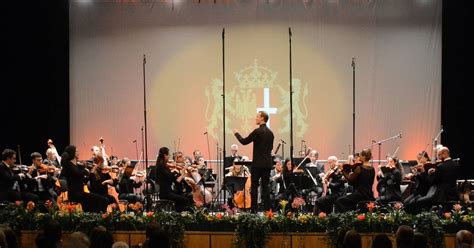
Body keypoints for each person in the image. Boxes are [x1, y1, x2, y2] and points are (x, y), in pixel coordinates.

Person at [233, 111, 274, 212]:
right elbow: (270, 148)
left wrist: (236, 133)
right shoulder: (271, 133)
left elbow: (244, 141)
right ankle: (267, 210)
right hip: (267, 164)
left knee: (254, 187)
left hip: (257, 164)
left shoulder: (257, 131)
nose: (255, 118)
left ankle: (254, 210)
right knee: (266, 187)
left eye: (257, 117)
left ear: (262, 119)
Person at [155, 147, 192, 212]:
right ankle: (181, 215)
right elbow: (172, 178)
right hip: (165, 193)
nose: (169, 157)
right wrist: (182, 172)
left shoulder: (164, 166)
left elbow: (174, 180)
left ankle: (178, 214)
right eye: (168, 155)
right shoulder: (161, 167)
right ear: (164, 155)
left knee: (183, 196)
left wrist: (177, 171)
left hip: (169, 191)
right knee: (184, 200)